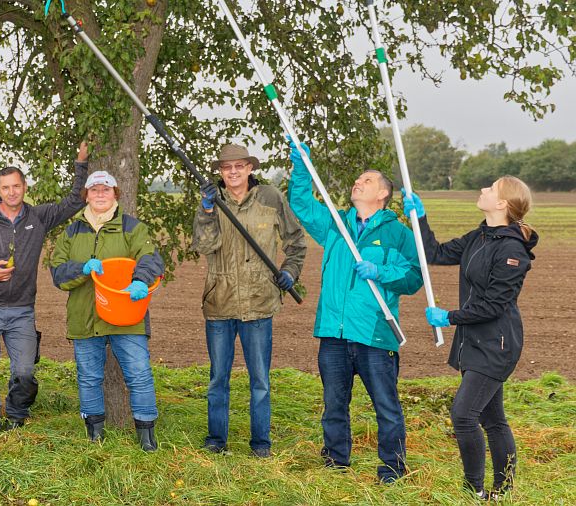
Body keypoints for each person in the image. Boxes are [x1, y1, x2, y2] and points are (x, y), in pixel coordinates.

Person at [287, 139, 422, 483]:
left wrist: (382, 273)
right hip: (334, 332)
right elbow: (302, 204)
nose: (357, 183)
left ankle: (391, 469)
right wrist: (302, 165)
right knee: (334, 405)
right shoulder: (336, 224)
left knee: (386, 408)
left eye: (367, 181)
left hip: (375, 334)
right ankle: (336, 462)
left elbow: (414, 277)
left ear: (382, 195)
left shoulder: (398, 234)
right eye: (357, 180)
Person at [405, 177, 537, 500]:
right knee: (494, 419)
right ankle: (503, 492)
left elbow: (493, 305)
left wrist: (449, 317)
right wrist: (419, 218)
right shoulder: (479, 236)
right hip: (474, 343)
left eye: (490, 189)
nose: (483, 191)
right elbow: (435, 253)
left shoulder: (511, 250)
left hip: (497, 345)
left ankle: (473, 490)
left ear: (503, 204)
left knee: (463, 415)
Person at [0, 142, 89, 432]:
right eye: (5, 188)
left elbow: (74, 202)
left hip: (21, 311)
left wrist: (81, 163)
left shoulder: (38, 217)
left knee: (25, 371)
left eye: (16, 186)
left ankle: (16, 416)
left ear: (24, 186)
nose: (11, 192)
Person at [191, 143, 307, 457]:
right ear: (220, 172)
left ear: (249, 168)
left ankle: (260, 445)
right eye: (226, 168)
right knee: (218, 380)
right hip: (220, 303)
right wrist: (206, 211)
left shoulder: (270, 197)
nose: (233, 172)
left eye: (239, 166)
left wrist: (290, 272)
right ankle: (216, 440)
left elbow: (296, 241)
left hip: (259, 302)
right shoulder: (212, 201)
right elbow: (203, 245)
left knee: (260, 381)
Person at [49, 170, 165, 451]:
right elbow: (57, 272)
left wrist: (140, 281)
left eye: (106, 189)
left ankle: (147, 437)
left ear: (116, 193)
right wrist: (82, 269)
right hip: (85, 316)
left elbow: (151, 258)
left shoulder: (132, 227)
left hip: (127, 314)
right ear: (86, 194)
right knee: (89, 377)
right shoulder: (72, 231)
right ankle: (95, 435)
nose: (100, 194)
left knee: (139, 374)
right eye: (94, 189)